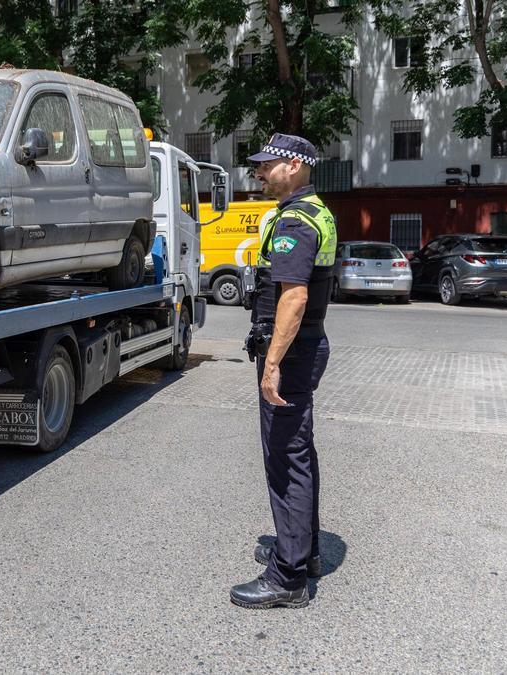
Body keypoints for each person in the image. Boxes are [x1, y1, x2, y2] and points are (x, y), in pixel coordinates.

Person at [231, 133, 338, 609]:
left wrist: (271, 364)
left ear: (293, 165)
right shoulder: (314, 212)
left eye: (266, 165)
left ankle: (288, 577)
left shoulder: (297, 220)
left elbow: (293, 296)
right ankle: (303, 550)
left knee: (285, 460)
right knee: (299, 453)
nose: (258, 172)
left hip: (291, 354)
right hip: (301, 348)